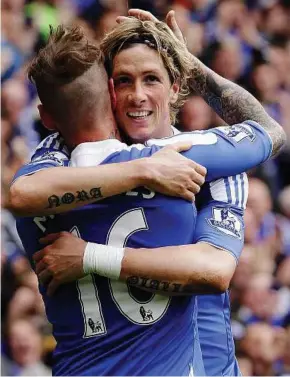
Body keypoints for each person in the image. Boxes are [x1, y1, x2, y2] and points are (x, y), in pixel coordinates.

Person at [11, 17, 284, 376]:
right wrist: (147, 169)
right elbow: (21, 194)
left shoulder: (212, 162)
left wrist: (91, 256)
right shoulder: (63, 153)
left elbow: (215, 270)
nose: (137, 95)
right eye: (125, 81)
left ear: (176, 87)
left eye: (151, 79)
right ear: (109, 90)